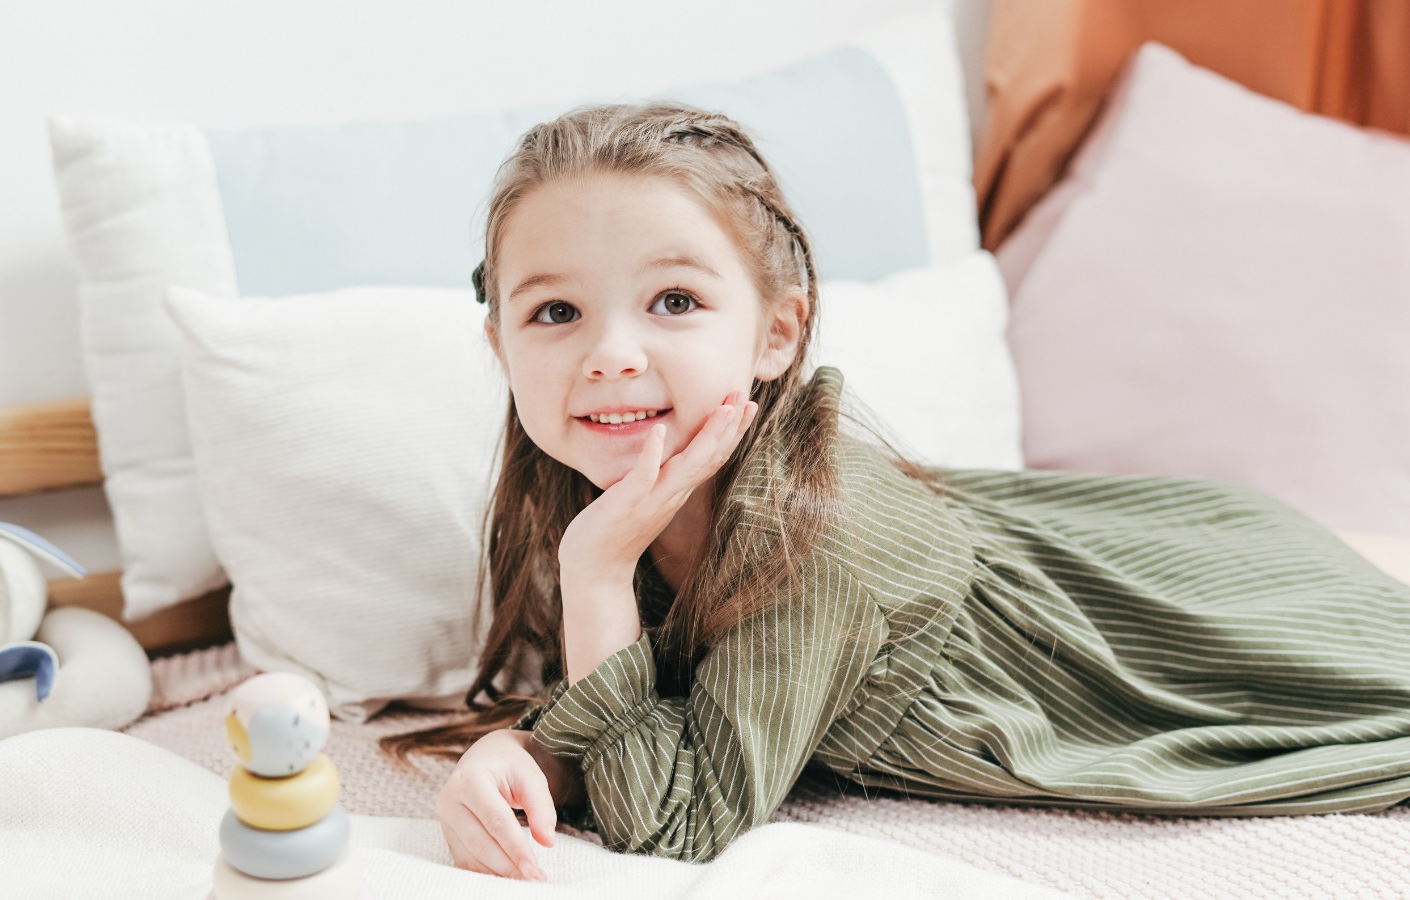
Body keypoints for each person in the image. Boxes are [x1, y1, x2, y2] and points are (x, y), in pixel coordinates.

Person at [380, 100, 1410, 882]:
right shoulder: (611, 491)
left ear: (776, 334)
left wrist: (594, 577)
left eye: (675, 300)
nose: (610, 353)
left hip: (1209, 627)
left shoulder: (806, 532)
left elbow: (676, 818)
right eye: (555, 311)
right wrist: (527, 757)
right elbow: (662, 694)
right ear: (499, 343)